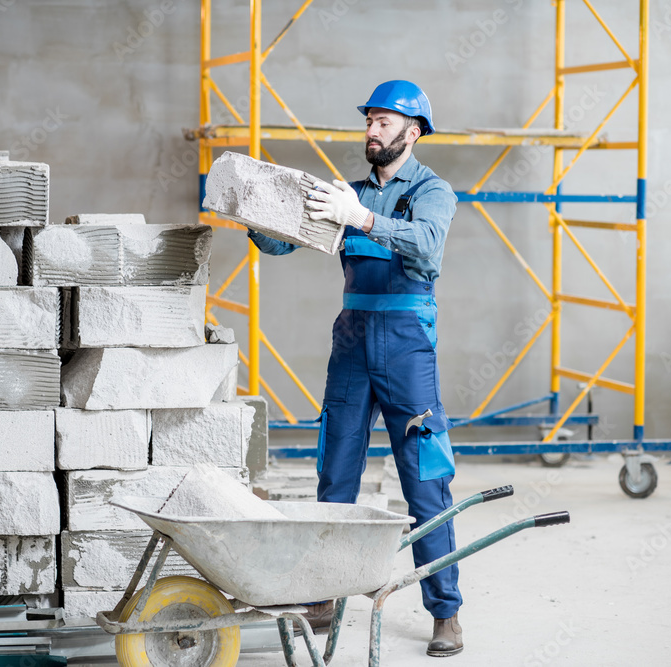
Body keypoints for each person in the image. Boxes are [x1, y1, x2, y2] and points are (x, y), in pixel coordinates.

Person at [247, 80, 463, 657]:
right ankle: (322, 594)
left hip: (407, 347)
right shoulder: (350, 194)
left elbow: (428, 247)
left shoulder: (432, 192)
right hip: (352, 344)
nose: (372, 130)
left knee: (425, 480)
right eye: (369, 120)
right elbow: (281, 247)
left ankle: (446, 610)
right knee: (334, 475)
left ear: (412, 133)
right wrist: (256, 210)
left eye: (385, 123)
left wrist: (363, 218)